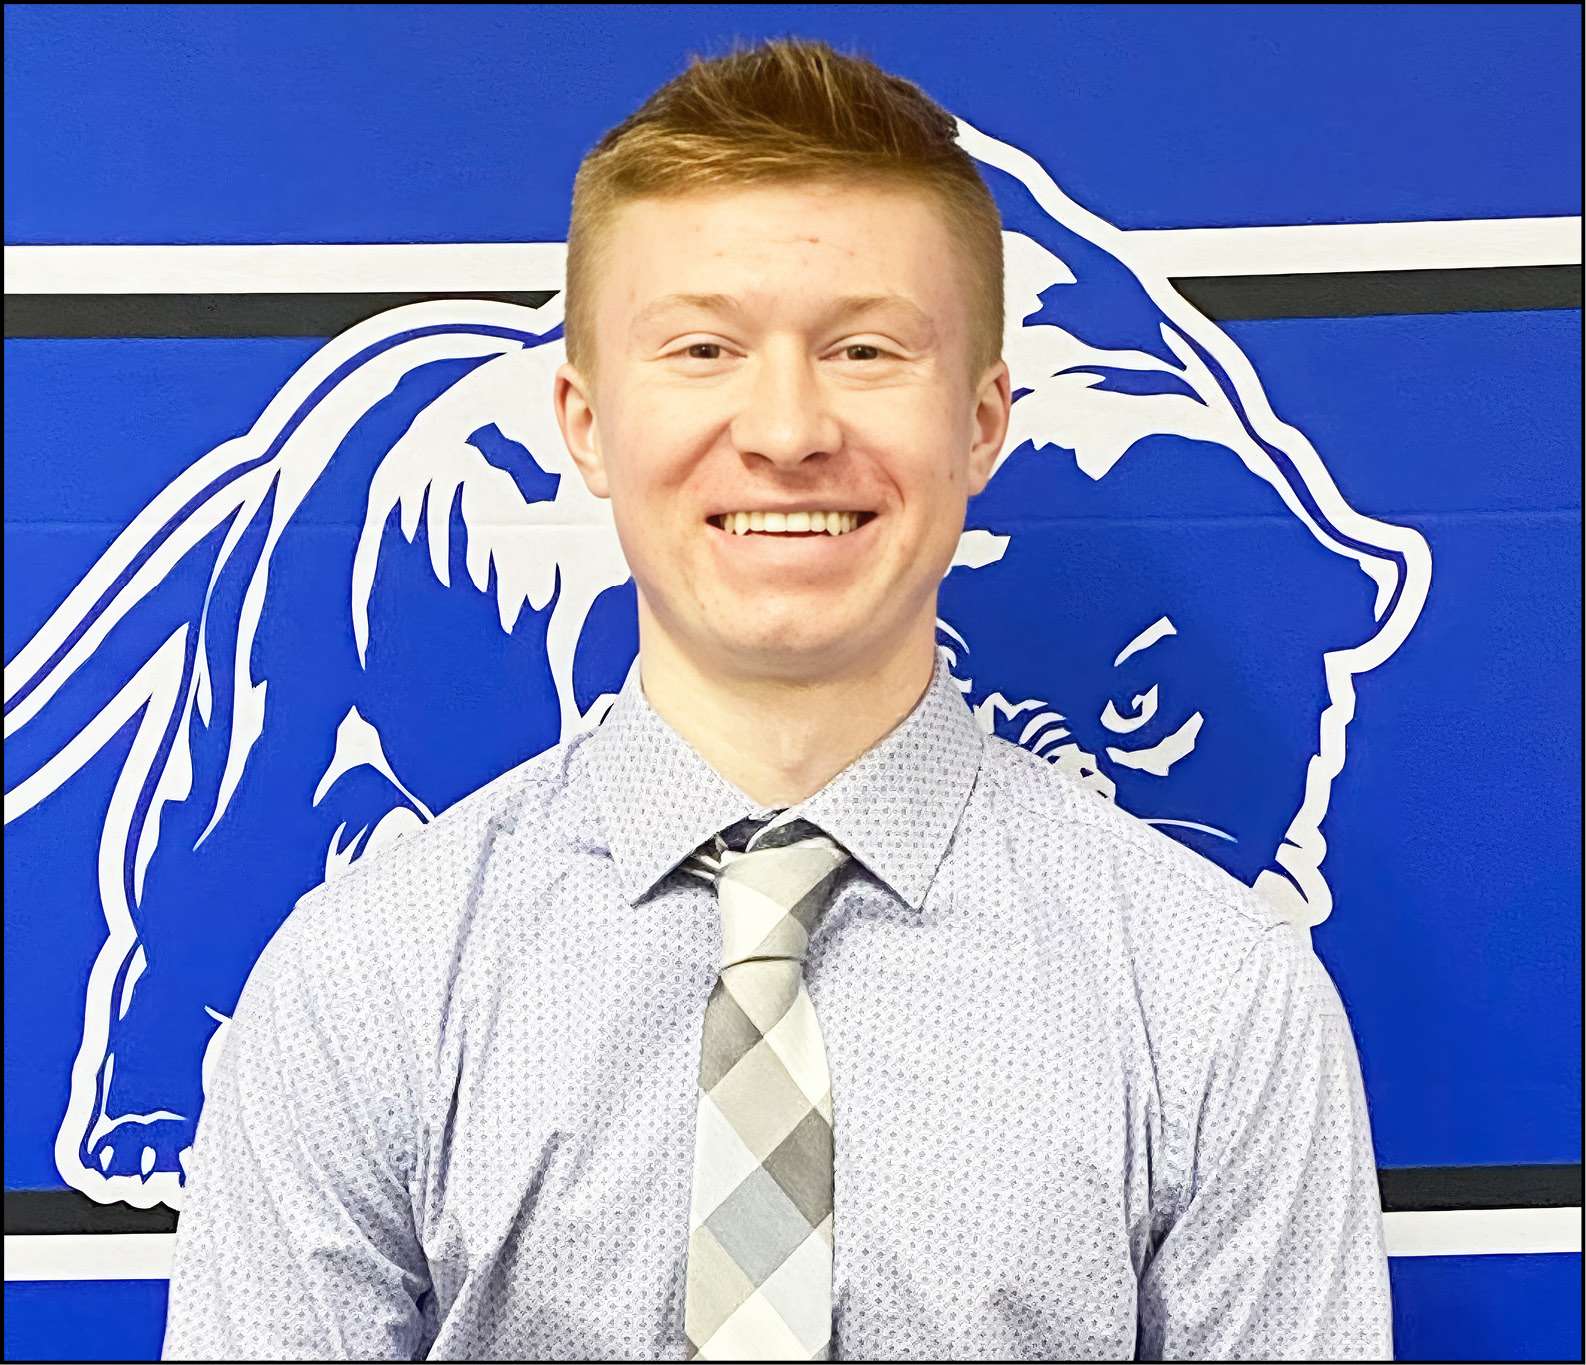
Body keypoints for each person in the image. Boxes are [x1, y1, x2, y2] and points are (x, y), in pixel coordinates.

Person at [161, 35, 1394, 1362]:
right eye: (703, 348)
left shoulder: (1213, 998)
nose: (789, 429)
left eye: (865, 349)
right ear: (585, 421)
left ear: (983, 421)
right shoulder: (365, 982)